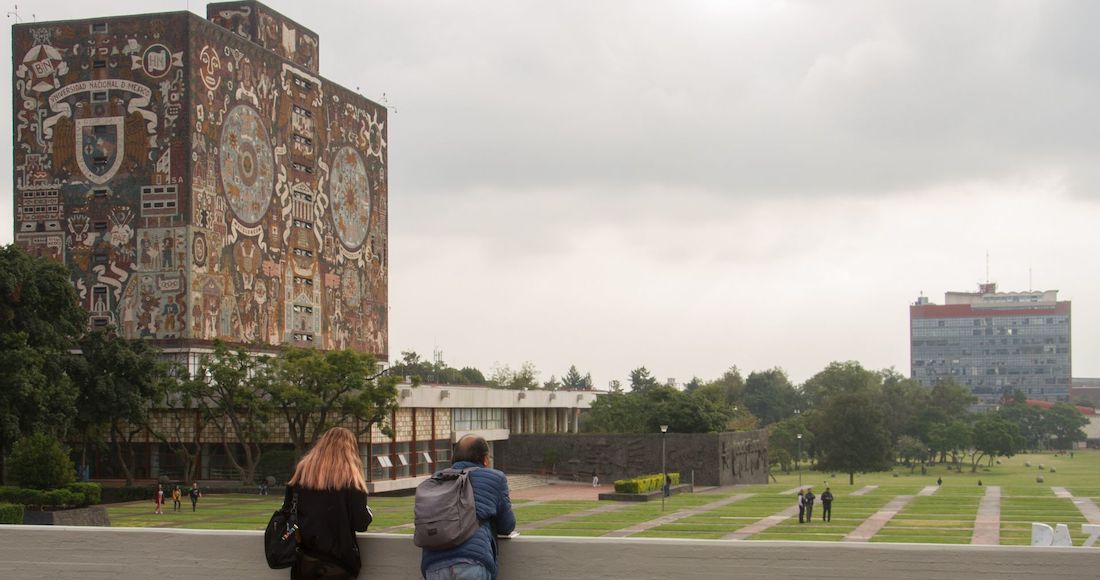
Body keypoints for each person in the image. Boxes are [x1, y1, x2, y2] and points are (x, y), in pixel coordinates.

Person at [421, 435, 516, 580]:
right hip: (472, 563)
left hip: (433, 566)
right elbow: (507, 525)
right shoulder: (495, 478)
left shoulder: (436, 479)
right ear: (485, 459)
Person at [286, 427, 372, 580]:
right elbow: (361, 524)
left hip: (303, 558)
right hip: (339, 561)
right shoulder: (352, 480)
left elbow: (288, 512)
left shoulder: (301, 474)